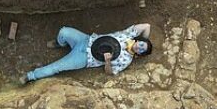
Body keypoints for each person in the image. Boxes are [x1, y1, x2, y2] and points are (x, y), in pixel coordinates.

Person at [21, 23, 153, 84]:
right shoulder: (128, 35)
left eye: (142, 50)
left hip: (85, 58)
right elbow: (147, 26)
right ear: (139, 40)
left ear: (140, 55)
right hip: (85, 39)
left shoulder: (126, 60)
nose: (139, 47)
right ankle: (60, 44)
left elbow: (110, 72)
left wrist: (107, 61)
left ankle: (31, 76)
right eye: (141, 45)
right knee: (63, 31)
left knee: (56, 67)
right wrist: (145, 40)